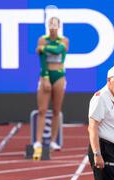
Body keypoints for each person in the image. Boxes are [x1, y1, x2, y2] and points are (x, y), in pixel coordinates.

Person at [33, 17, 69, 160]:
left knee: (56, 110)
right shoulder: (42, 39)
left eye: (55, 25)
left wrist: (44, 49)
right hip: (46, 75)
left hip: (59, 75)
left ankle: (53, 141)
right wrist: (45, 77)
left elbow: (59, 50)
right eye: (51, 25)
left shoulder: (64, 40)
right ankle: (38, 141)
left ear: (59, 26)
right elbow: (42, 61)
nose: (53, 27)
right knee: (42, 110)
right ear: (48, 26)